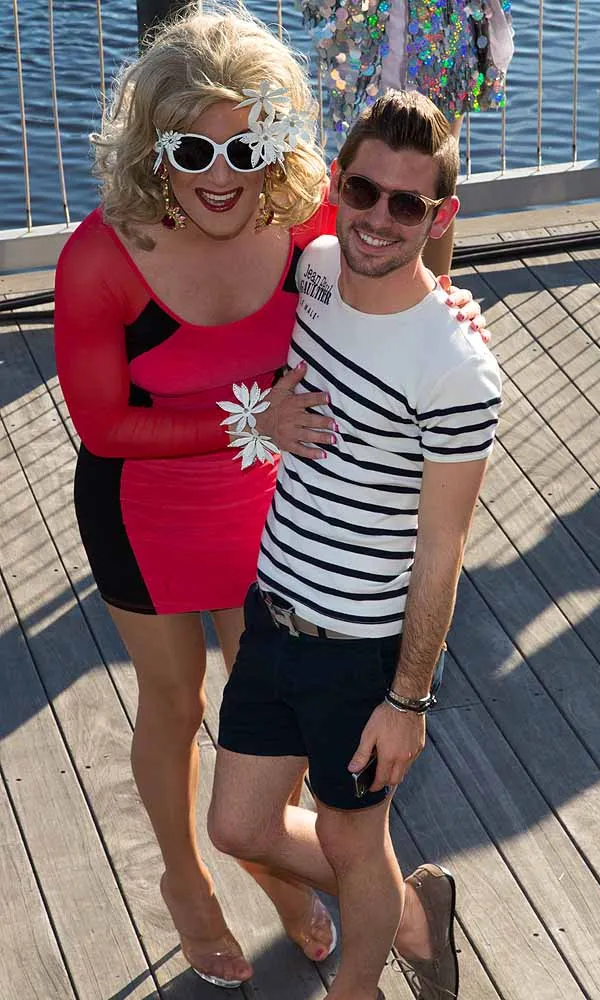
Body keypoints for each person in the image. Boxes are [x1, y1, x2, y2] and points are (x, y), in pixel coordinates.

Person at [53, 5, 486, 990]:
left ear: (275, 142)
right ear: (154, 145)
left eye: (245, 147)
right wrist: (253, 423)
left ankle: (283, 877)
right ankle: (185, 883)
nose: (221, 174)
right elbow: (104, 427)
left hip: (271, 512)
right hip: (144, 513)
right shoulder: (101, 256)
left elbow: (395, 264)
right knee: (173, 704)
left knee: (270, 739)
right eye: (191, 149)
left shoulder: (309, 217)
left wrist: (442, 303)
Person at [208, 89, 502, 1000]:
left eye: (407, 205)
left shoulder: (456, 368)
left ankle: (359, 985)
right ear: (336, 183)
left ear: (440, 217)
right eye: (364, 191)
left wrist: (407, 701)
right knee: (239, 827)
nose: (378, 218)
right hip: (272, 614)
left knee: (349, 839)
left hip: (359, 651)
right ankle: (411, 911)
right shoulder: (316, 269)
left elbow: (443, 547)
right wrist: (264, 417)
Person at [300, 0, 514, 275]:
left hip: (441, 30)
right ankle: (351, 285)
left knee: (437, 177)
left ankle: (435, 291)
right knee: (359, 171)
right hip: (368, 27)